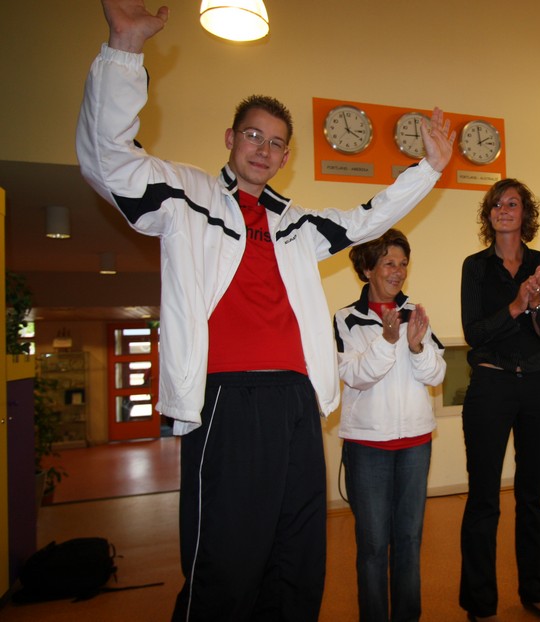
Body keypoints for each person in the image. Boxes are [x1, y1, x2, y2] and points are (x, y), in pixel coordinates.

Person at [76, 2, 455, 620]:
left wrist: (429, 169)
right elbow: (107, 159)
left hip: (297, 403)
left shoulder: (295, 224)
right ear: (230, 139)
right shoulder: (186, 197)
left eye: (276, 143)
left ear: (285, 158)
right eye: (253, 135)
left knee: (297, 560)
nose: (264, 149)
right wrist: (124, 48)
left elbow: (366, 219)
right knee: (227, 566)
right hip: (227, 401)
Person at [458, 179, 540, 622]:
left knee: (532, 496)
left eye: (512, 203)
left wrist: (536, 304)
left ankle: (536, 591)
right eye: (496, 204)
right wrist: (516, 305)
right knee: (484, 498)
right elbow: (474, 333)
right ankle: (481, 604)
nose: (503, 209)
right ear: (489, 215)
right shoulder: (475, 267)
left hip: (537, 386)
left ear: (526, 213)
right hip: (491, 386)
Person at [334, 229, 446, 622]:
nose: (397, 271)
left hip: (416, 443)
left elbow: (436, 374)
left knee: (410, 541)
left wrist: (415, 346)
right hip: (367, 448)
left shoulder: (415, 313)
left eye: (403, 264)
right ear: (367, 269)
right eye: (388, 263)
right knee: (372, 545)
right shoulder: (346, 319)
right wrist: (386, 340)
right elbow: (355, 377)